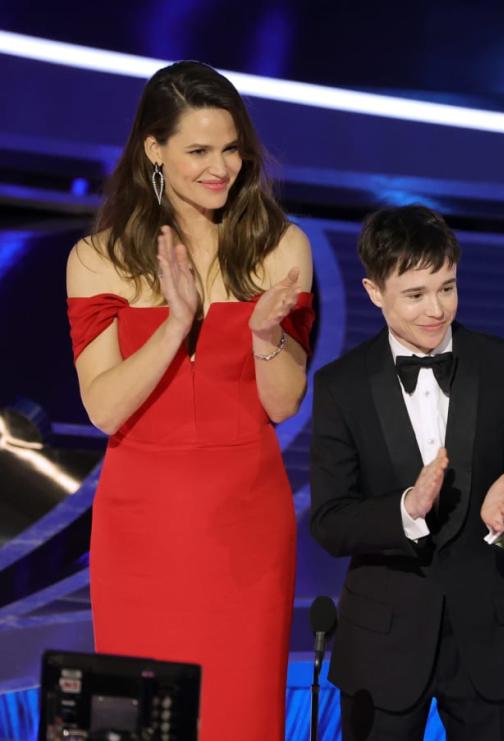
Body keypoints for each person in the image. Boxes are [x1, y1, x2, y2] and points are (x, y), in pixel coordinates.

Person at [65, 61, 314, 740]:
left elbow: (285, 400)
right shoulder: (98, 258)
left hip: (247, 528)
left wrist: (265, 334)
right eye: (199, 151)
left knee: (240, 714)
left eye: (231, 149)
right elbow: (105, 408)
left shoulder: (279, 246)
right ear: (154, 148)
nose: (221, 167)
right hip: (141, 527)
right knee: (146, 719)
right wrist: (176, 322)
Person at [309, 205, 504, 740]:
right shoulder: (341, 385)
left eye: (447, 288)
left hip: (493, 634)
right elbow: (331, 521)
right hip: (384, 642)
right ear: (374, 291)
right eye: (416, 294)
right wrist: (406, 511)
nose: (436, 309)